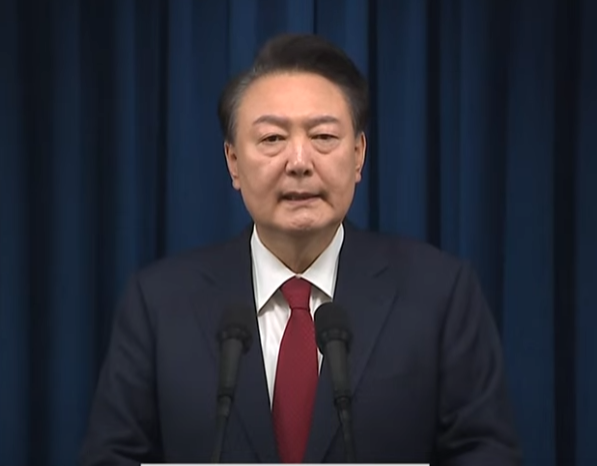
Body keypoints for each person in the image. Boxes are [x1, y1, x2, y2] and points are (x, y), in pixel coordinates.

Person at [79, 33, 521, 465]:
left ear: (358, 155)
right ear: (233, 162)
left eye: (323, 137)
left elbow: (486, 452)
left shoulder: (439, 293)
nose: (299, 162)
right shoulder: (158, 303)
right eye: (272, 139)